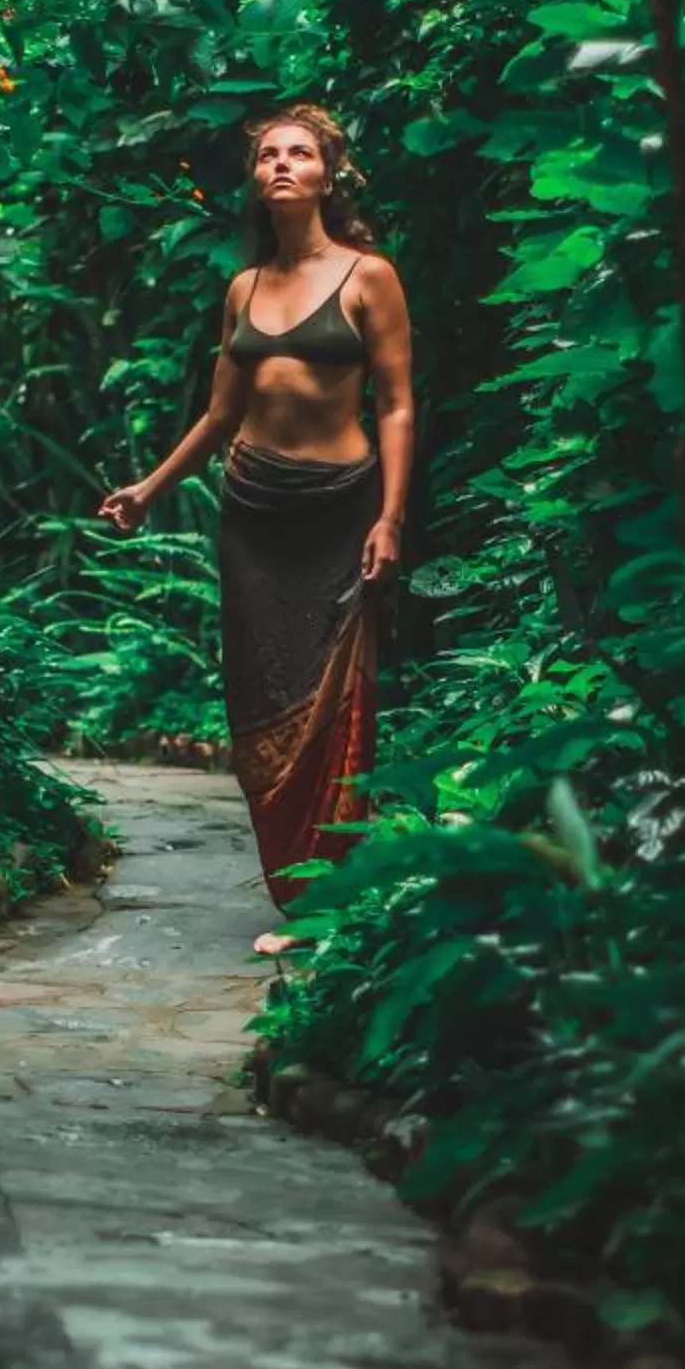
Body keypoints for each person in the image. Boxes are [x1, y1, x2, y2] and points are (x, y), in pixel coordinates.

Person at [98, 104, 415, 956]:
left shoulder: (367, 276)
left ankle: (331, 900)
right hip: (253, 517)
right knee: (261, 702)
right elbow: (219, 414)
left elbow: (398, 403)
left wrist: (390, 516)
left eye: (299, 152)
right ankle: (296, 892)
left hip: (340, 509)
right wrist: (149, 488)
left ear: (327, 174)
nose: (281, 163)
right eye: (268, 153)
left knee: (336, 705)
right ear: (256, 179)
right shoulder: (242, 288)